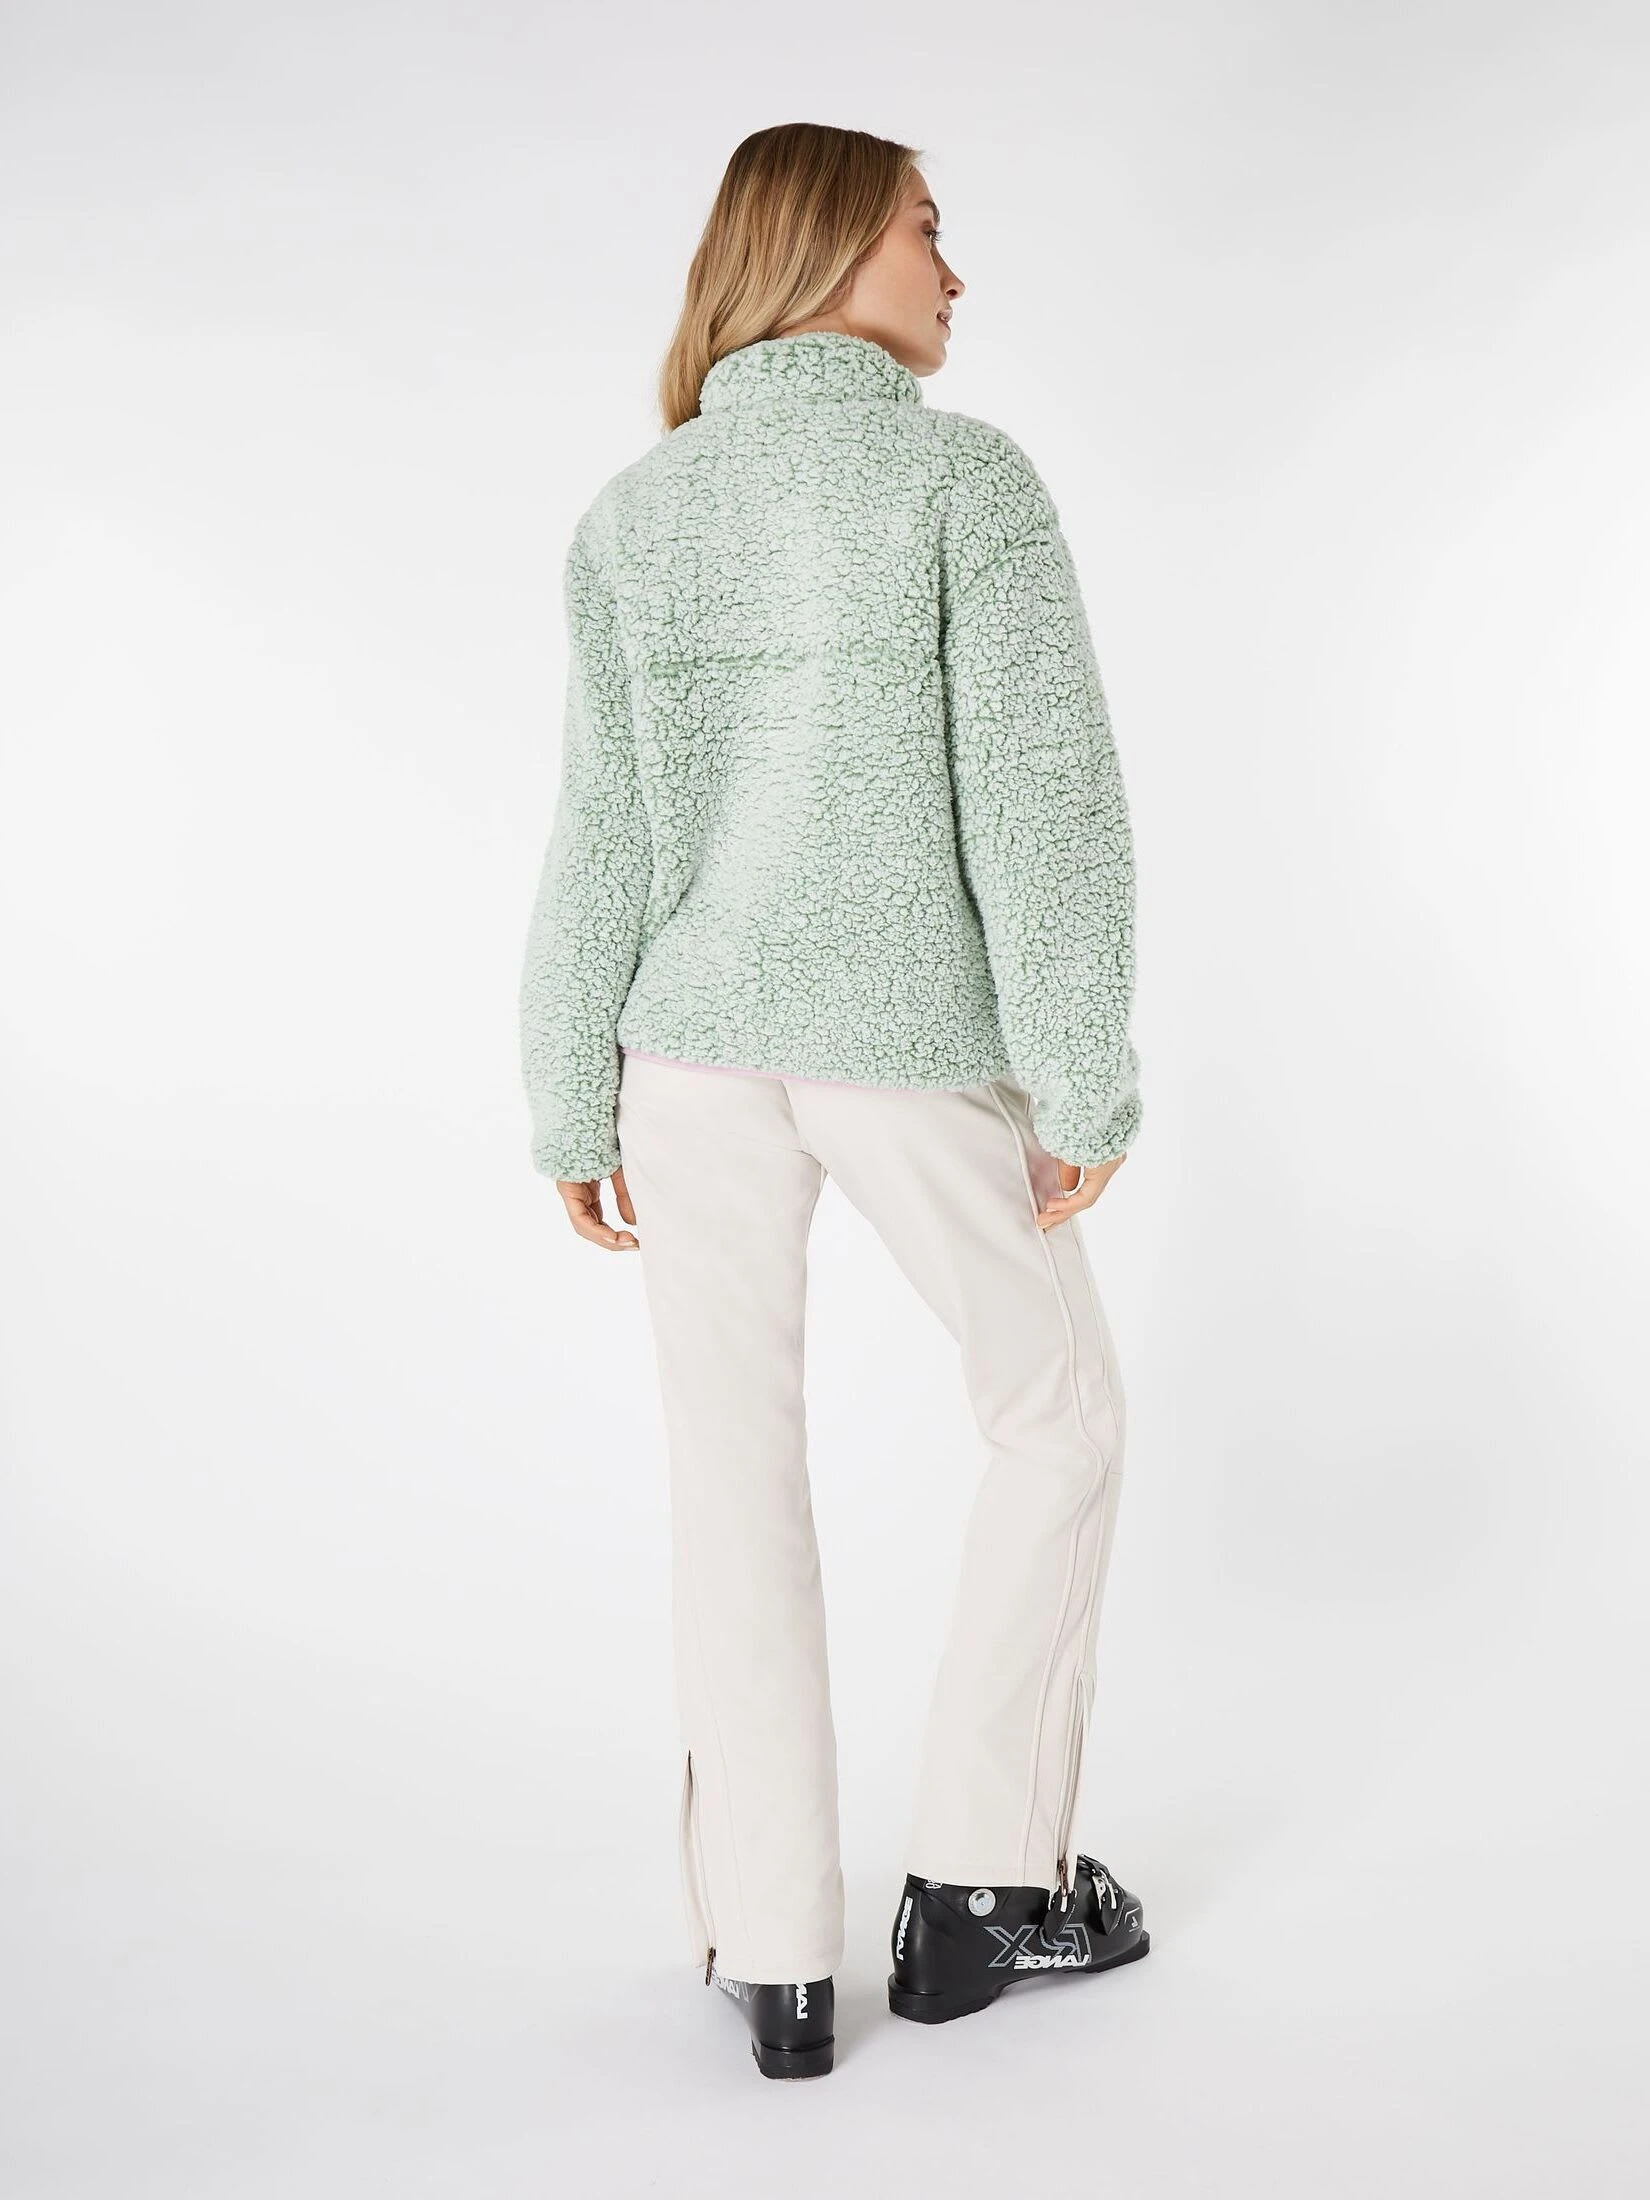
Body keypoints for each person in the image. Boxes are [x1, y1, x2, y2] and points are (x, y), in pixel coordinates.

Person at [518, 122, 1148, 2081]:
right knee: (1057, 1415)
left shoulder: (641, 511)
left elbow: (604, 835)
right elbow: (1044, 803)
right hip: (899, 1039)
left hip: (687, 1054)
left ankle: (773, 1949)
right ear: (822, 248)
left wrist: (569, 1090)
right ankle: (979, 1885)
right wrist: (1083, 1068)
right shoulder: (961, 482)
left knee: (731, 1476)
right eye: (926, 231)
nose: (956, 273)